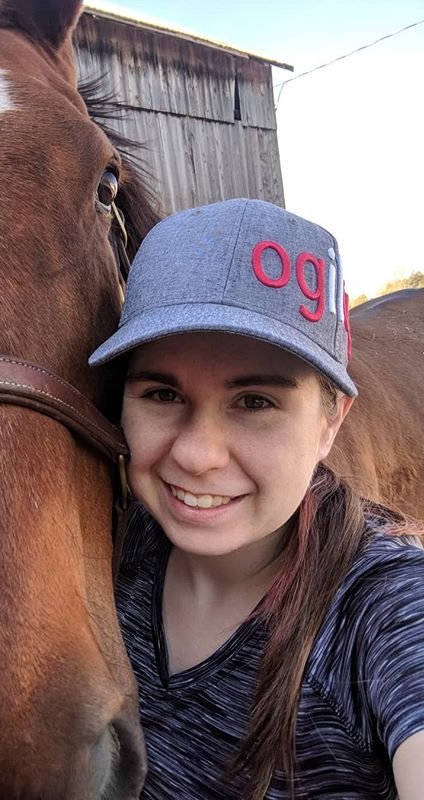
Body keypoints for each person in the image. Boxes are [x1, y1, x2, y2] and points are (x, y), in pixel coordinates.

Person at [89, 199, 424, 800]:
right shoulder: (120, 548)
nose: (197, 455)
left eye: (255, 402)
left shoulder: (384, 608)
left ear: (330, 422)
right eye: (162, 394)